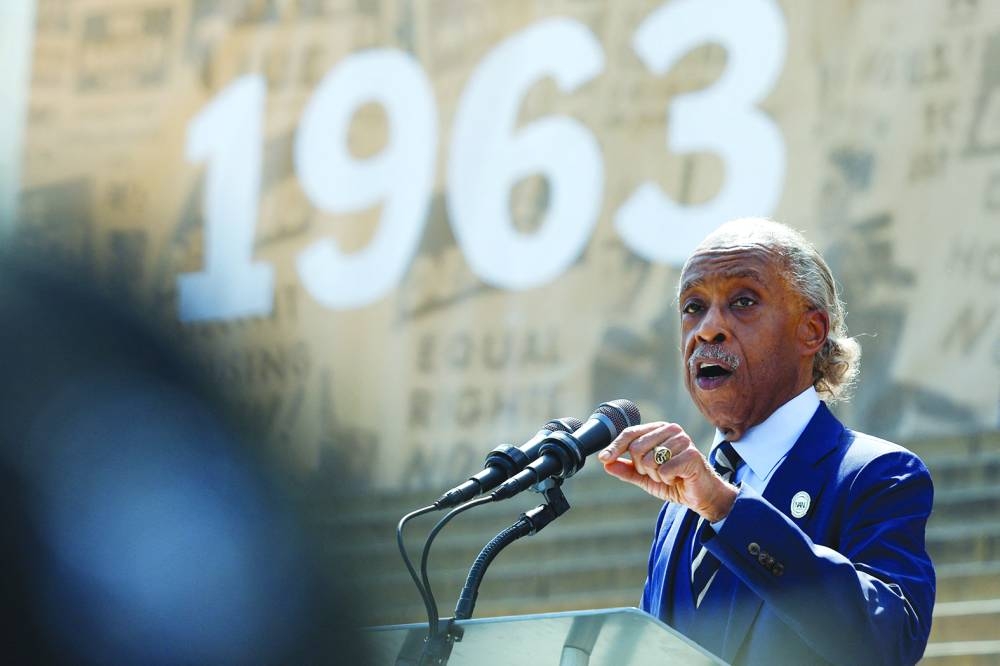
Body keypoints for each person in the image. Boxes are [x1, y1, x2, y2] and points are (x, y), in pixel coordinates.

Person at [598, 218, 934, 665]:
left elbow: (887, 641)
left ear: (811, 331)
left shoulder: (877, 475)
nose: (707, 330)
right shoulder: (676, 512)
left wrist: (726, 509)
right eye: (693, 307)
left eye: (743, 301)